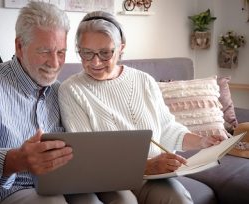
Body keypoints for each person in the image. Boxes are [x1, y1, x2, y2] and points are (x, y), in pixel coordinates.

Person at [0, 2, 134, 204]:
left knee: (122, 197)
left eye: (61, 52)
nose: (55, 64)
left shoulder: (61, 91)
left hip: (55, 184)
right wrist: (16, 160)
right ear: (19, 46)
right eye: (45, 51)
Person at [58, 11, 226, 204]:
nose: (95, 62)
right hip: (108, 181)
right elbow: (88, 157)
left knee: (177, 198)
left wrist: (202, 142)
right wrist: (146, 166)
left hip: (153, 177)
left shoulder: (144, 81)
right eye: (86, 53)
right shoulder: (71, 90)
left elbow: (167, 129)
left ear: (121, 48)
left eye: (105, 53)